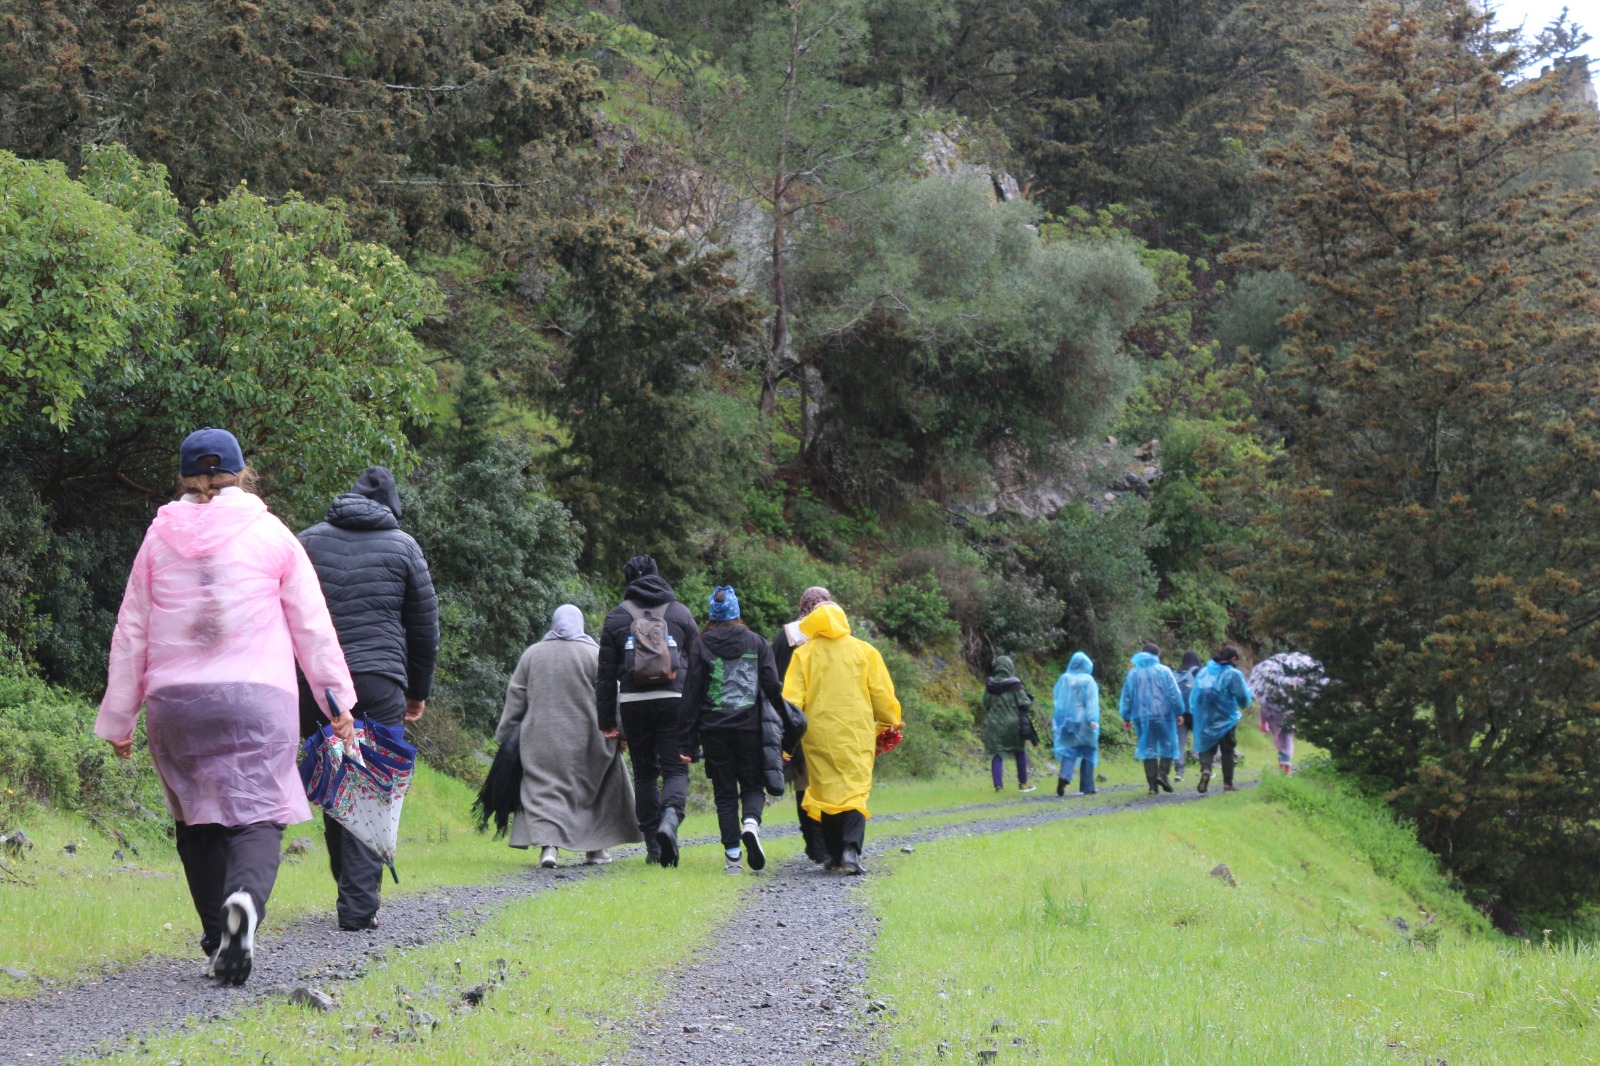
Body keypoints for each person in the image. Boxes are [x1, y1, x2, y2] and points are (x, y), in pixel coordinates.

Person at [96, 428, 357, 987]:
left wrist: (120, 717)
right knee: (260, 812)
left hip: (175, 702)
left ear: (183, 477)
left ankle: (219, 937)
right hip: (257, 697)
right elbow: (312, 625)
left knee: (196, 816)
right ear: (242, 473)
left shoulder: (158, 538)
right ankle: (244, 903)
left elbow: (132, 630)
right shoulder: (271, 532)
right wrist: (335, 701)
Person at [297, 465, 438, 931]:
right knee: (371, 784)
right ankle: (358, 903)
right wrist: (417, 691)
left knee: (336, 774)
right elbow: (424, 629)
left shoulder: (307, 542)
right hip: (379, 681)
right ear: (392, 507)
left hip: (318, 683)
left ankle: (352, 887)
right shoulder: (404, 547)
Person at [495, 605, 642, 868]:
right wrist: (623, 732)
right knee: (598, 791)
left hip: (541, 740)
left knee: (545, 792)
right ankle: (596, 850)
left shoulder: (532, 655)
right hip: (591, 740)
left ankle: (549, 848)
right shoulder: (594, 654)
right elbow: (612, 695)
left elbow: (516, 695)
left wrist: (506, 734)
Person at [677, 586, 794, 873]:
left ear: (712, 615)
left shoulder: (701, 645)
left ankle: (733, 860)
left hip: (713, 730)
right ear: (737, 612)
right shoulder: (757, 642)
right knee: (753, 784)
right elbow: (772, 685)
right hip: (750, 728)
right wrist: (784, 726)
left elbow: (691, 695)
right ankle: (751, 825)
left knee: (724, 793)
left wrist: (688, 743)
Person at [781, 601, 901, 875]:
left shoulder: (804, 654)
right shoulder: (865, 651)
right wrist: (889, 723)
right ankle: (850, 852)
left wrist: (786, 740)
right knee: (854, 791)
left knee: (826, 792)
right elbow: (882, 694)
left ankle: (835, 856)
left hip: (818, 735)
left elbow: (791, 702)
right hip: (856, 734)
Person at [596, 554, 699, 866]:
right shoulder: (679, 613)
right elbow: (698, 666)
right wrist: (697, 714)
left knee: (644, 773)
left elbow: (605, 676)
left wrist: (607, 721)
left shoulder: (616, 617)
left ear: (628, 581)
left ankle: (654, 847)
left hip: (633, 702)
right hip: (674, 699)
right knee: (675, 770)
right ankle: (670, 818)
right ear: (657, 575)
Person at [772, 586, 832, 863]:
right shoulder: (833, 634)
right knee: (828, 780)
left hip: (794, 719)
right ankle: (830, 842)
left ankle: (814, 844)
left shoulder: (786, 636)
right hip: (828, 718)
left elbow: (772, 677)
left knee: (803, 781)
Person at [1119, 642, 1184, 795]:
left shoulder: (1133, 674)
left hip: (1141, 717)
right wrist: (1179, 712)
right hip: (1164, 715)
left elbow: (1127, 696)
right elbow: (1174, 693)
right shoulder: (1164, 671)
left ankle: (1152, 786)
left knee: (1148, 748)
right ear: (1157, 655)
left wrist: (1126, 717)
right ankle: (1163, 774)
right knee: (1169, 744)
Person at [1190, 644, 1254, 794]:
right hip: (1226, 717)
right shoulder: (1233, 673)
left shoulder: (1204, 671)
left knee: (1206, 746)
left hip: (1205, 716)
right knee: (1227, 750)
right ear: (1233, 659)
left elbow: (1196, 694)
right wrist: (1244, 703)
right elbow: (1242, 696)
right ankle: (1228, 784)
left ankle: (1206, 770)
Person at [982, 655, 1037, 792]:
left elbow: (985, 703)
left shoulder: (990, 685)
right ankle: (1023, 784)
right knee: (1019, 751)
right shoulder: (1015, 684)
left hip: (994, 724)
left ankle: (998, 786)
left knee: (997, 753)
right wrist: (1028, 697)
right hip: (1013, 725)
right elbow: (1025, 704)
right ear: (1009, 667)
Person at [1052, 652, 1100, 797]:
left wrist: (1059, 720)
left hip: (1069, 720)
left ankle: (1064, 775)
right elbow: (1091, 702)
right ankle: (1088, 787)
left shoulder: (1065, 679)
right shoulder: (1088, 680)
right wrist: (1092, 719)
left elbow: (1059, 702)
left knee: (1069, 750)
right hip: (1085, 721)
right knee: (1088, 751)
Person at [1173, 650, 1203, 782]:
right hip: (1197, 713)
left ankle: (1179, 772)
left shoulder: (1175, 674)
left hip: (1180, 714)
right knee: (1202, 742)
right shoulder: (1198, 672)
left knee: (1180, 743)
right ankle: (1206, 769)